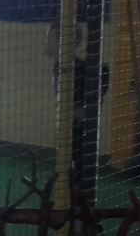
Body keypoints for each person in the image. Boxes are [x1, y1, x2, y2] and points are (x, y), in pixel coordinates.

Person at [43, 21, 110, 178]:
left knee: (76, 173)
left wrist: (75, 111)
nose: (45, 44)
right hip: (69, 133)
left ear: (63, 43)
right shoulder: (59, 68)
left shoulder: (82, 72)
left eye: (49, 39)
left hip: (81, 138)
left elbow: (84, 112)